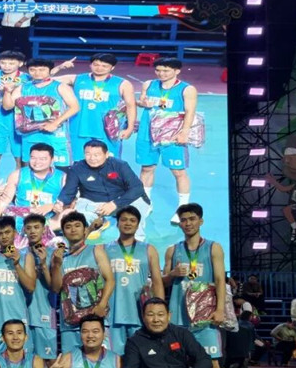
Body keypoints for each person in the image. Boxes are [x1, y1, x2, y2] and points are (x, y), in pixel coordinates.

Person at [163, 203, 227, 368]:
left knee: (212, 364)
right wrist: (172, 273)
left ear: (201, 221)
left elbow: (220, 280)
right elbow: (163, 281)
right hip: (178, 317)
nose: (188, 223)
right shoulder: (172, 250)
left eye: (192, 219)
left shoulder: (213, 248)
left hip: (204, 317)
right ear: (179, 223)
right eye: (184, 220)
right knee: (175, 362)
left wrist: (220, 309)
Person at [135, 57, 198, 223]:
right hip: (147, 133)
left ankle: (183, 208)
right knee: (146, 168)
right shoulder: (148, 84)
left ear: (177, 71)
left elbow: (190, 112)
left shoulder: (187, 89)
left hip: (172, 135)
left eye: (166, 71)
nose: (161, 74)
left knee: (178, 172)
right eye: (158, 70)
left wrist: (184, 133)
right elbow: (141, 102)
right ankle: (145, 203)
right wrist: (142, 103)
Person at [57, 139, 152, 239]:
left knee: (135, 210)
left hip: (122, 201)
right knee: (77, 216)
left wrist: (115, 204)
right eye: (88, 154)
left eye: (96, 155)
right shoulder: (77, 168)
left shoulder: (120, 165)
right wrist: (60, 203)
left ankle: (136, 239)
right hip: (94, 203)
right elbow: (69, 191)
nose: (92, 158)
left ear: (106, 154)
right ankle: (99, 223)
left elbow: (137, 188)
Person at [50, 211, 114, 353]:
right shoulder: (60, 257)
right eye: (68, 227)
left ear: (85, 230)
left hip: (95, 321)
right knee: (70, 364)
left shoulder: (96, 251)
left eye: (77, 225)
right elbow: (56, 288)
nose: (73, 229)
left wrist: (102, 305)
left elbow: (110, 280)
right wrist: (56, 266)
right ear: (63, 233)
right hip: (70, 325)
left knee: (102, 361)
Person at [104, 205, 164, 353]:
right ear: (117, 223)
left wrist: (160, 309)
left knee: (142, 355)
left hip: (139, 312)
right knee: (115, 356)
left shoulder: (149, 249)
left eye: (132, 220)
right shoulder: (104, 249)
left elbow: (157, 281)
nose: (128, 223)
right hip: (113, 313)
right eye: (124, 220)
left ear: (138, 225)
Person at [58, 53, 136, 158]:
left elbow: (131, 106)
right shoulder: (76, 79)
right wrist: (59, 67)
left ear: (112, 67)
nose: (99, 68)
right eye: (96, 65)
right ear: (90, 65)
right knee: (77, 161)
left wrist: (130, 128)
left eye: (104, 66)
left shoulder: (123, 84)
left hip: (107, 130)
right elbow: (44, 80)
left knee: (108, 162)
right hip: (78, 128)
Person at [2, 57, 78, 164]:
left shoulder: (60, 87)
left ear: (50, 70)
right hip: (30, 136)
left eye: (42, 70)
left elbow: (74, 107)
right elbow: (7, 106)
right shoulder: (22, 88)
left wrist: (55, 123)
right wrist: (7, 92)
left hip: (55, 135)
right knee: (31, 166)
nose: (37, 73)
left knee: (60, 168)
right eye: (32, 70)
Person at [0, 216, 35, 355]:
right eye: (0, 233)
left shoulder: (26, 256)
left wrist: (17, 264)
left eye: (7, 232)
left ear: (15, 233)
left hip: (18, 318)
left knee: (22, 361)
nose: (4, 236)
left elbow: (31, 287)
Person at [0, 50, 28, 177]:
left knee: (20, 158)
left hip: (19, 121)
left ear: (20, 63)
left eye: (11, 63)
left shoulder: (27, 78)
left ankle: (19, 186)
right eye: (3, 63)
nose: (7, 66)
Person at [19, 214, 58, 361]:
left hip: (45, 312)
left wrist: (43, 264)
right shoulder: (18, 255)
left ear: (44, 229)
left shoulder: (53, 254)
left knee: (48, 360)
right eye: (29, 228)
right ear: (24, 230)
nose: (32, 231)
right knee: (24, 360)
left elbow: (54, 287)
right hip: (23, 314)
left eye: (36, 227)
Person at [2, 142, 64, 233]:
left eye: (42, 159)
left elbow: (68, 205)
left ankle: (43, 232)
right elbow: (5, 201)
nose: (37, 162)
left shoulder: (63, 178)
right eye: (33, 158)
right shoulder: (17, 175)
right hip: (22, 222)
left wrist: (53, 206)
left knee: (69, 213)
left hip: (48, 223)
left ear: (52, 159)